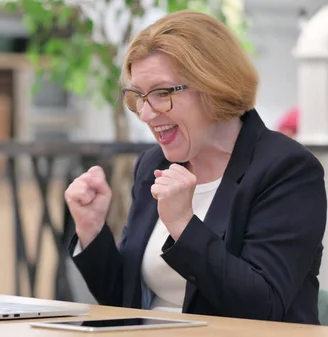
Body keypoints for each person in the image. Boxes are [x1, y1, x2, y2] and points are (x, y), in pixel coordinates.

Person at [65, 10, 327, 324]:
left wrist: (184, 226)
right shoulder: (153, 164)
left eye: (162, 94)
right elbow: (128, 301)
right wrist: (92, 230)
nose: (146, 114)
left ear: (213, 84)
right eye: (137, 96)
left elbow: (263, 307)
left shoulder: (286, 169)